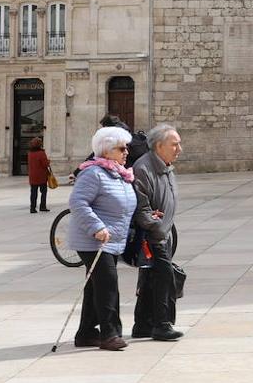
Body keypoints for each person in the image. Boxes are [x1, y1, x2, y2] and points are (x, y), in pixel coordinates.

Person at [69, 126, 138, 351]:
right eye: (121, 148)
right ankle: (110, 334)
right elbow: (78, 203)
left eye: (126, 147)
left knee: (95, 287)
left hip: (112, 240)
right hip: (94, 241)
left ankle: (86, 333)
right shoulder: (94, 173)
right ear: (107, 151)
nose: (126, 152)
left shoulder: (119, 173)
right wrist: (96, 227)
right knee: (108, 285)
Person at [131, 124, 184, 342]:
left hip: (163, 233)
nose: (179, 148)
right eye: (174, 144)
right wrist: (154, 223)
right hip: (152, 236)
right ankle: (162, 324)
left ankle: (142, 325)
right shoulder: (143, 168)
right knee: (164, 278)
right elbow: (141, 207)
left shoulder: (166, 165)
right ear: (159, 146)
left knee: (151, 279)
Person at [27, 138, 51, 214]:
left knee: (33, 193)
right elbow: (45, 164)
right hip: (41, 176)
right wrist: (48, 161)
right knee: (43, 192)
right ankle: (42, 206)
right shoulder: (41, 153)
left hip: (32, 176)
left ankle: (32, 208)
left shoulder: (30, 153)